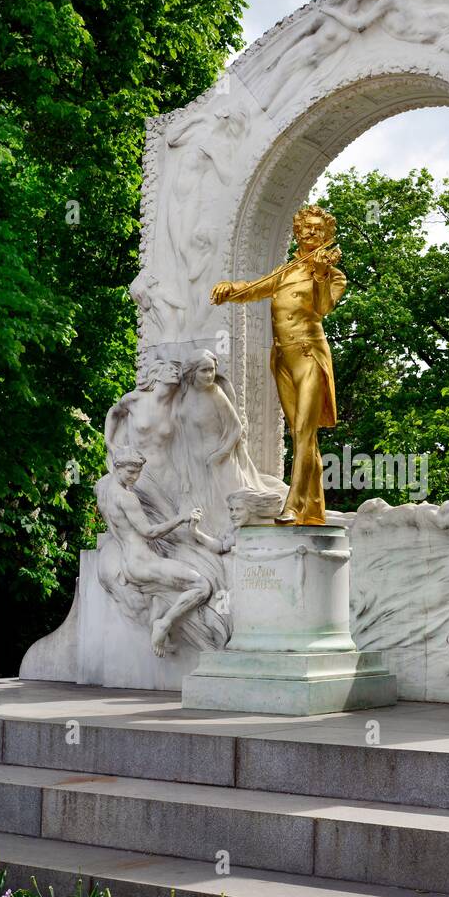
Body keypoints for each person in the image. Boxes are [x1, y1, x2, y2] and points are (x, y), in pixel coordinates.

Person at [210, 204, 346, 526]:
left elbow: (324, 307)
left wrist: (322, 274)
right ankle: (314, 511)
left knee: (303, 431)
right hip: (282, 359)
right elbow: (254, 289)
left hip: (309, 354)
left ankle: (295, 505)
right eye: (306, 228)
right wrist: (230, 290)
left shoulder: (332, 273)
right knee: (304, 436)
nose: (311, 233)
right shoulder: (285, 272)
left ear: (326, 235)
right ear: (298, 232)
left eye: (318, 229)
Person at [95, 447, 211, 657]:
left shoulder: (103, 488)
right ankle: (163, 624)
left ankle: (157, 615)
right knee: (202, 586)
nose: (134, 477)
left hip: (129, 563)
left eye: (138, 472)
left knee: (163, 592)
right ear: (117, 467)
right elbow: (149, 532)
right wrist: (182, 518)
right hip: (142, 563)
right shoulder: (126, 498)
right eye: (130, 471)